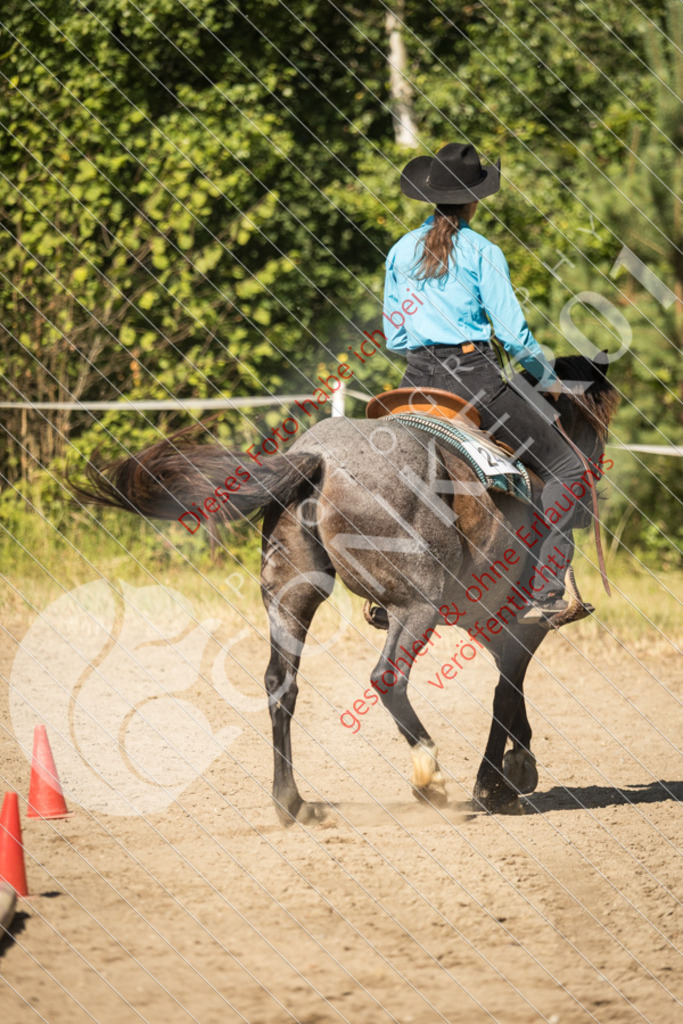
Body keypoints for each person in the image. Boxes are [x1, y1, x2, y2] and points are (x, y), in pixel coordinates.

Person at [383, 141, 587, 623]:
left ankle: (383, 592)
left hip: (414, 381)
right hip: (473, 378)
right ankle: (546, 592)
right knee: (568, 469)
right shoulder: (483, 251)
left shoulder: (399, 250)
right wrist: (547, 381)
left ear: (430, 197)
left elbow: (395, 334)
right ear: (474, 200)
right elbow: (515, 337)